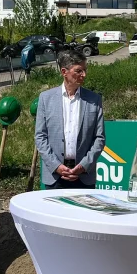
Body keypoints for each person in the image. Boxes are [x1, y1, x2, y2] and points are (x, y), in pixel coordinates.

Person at [35, 49, 105, 189]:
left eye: (85, 70)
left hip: (84, 176)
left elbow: (100, 138)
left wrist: (83, 165)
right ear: (64, 72)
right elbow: (40, 137)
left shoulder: (94, 100)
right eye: (78, 71)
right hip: (55, 177)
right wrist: (56, 166)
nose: (83, 75)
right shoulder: (46, 98)